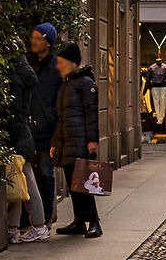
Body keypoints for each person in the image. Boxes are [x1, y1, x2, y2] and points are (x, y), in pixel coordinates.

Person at [8, 24, 62, 242]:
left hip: (38, 129)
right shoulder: (28, 65)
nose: (33, 41)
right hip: (29, 129)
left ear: (47, 41)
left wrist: (53, 122)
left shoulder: (54, 66)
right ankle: (23, 225)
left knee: (40, 176)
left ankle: (42, 223)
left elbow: (59, 99)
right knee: (22, 177)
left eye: (37, 37)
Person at [53, 43, 104, 240]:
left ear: (72, 63)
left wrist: (92, 141)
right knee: (73, 185)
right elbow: (61, 117)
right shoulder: (66, 84)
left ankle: (94, 223)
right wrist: (56, 143)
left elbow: (92, 115)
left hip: (81, 142)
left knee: (84, 185)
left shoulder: (85, 84)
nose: (58, 66)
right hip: (67, 142)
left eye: (61, 62)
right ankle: (79, 221)